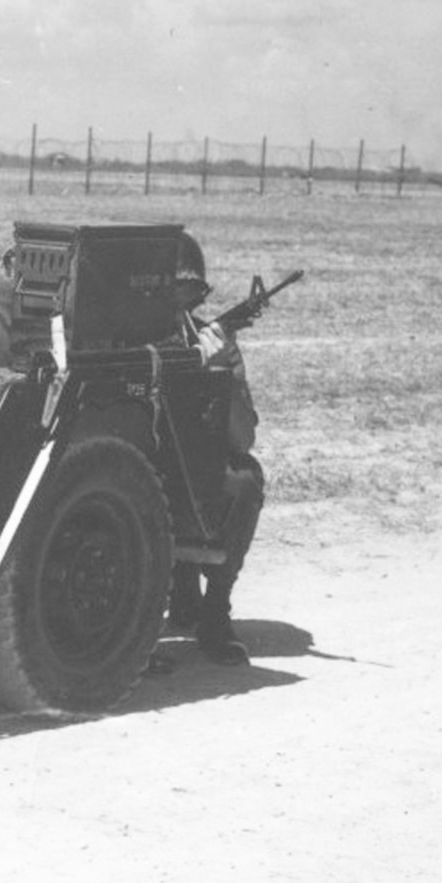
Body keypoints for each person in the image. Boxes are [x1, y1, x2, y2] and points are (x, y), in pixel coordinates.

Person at [168, 231, 266, 666]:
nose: (182, 303)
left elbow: (243, 437)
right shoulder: (120, 331)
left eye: (191, 292)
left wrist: (218, 372)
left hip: (194, 463)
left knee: (244, 481)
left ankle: (215, 608)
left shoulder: (213, 341)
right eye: (173, 290)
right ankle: (177, 589)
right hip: (144, 459)